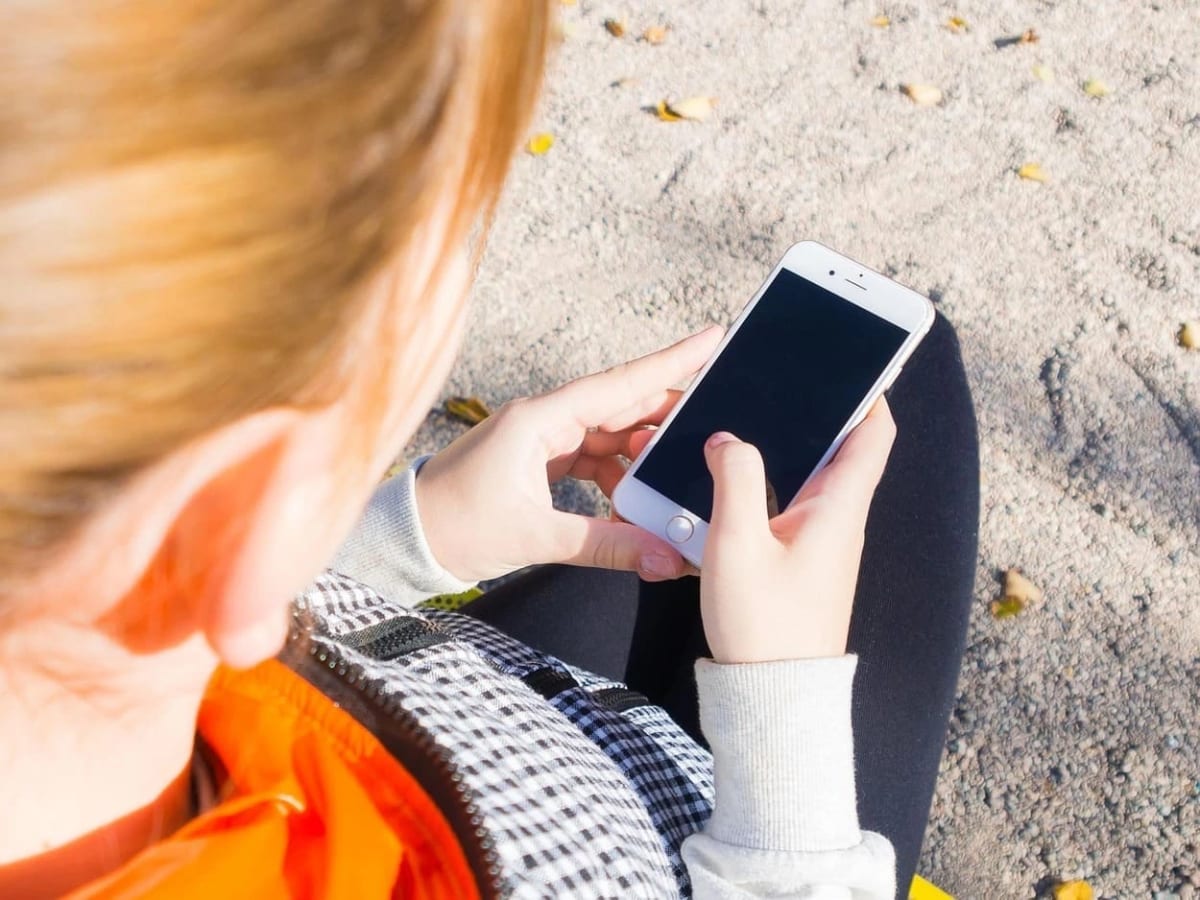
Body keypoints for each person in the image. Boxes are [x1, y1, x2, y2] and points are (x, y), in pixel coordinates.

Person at [0, 1, 978, 898]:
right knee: (911, 376)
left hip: (460, 712)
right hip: (701, 842)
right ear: (250, 511)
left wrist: (411, 537)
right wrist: (785, 721)